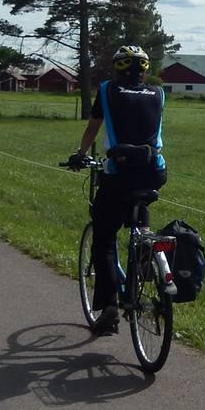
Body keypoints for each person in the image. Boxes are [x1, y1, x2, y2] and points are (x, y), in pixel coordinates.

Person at [69, 45, 167, 332]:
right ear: (144, 69)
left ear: (118, 68)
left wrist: (79, 154)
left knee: (104, 235)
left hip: (119, 172)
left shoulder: (108, 90)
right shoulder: (158, 94)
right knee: (139, 206)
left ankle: (110, 307)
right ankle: (146, 247)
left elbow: (93, 127)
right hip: (154, 170)